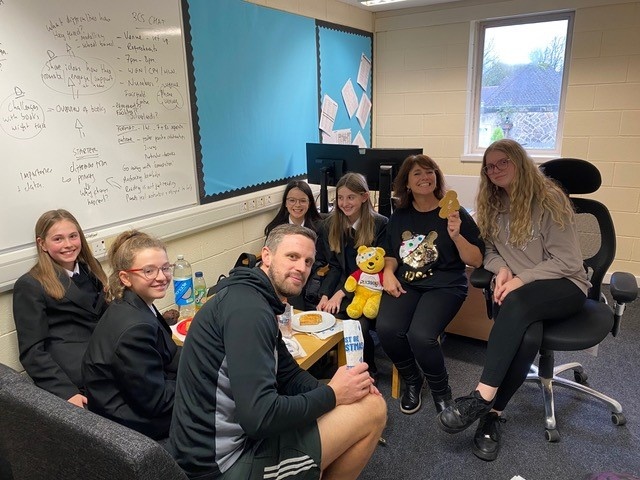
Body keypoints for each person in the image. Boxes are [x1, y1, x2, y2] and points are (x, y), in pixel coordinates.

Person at [169, 224, 387, 480]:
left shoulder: (252, 295)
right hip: (221, 464)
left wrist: (347, 389)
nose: (302, 268)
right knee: (373, 409)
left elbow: (288, 374)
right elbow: (260, 418)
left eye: (308, 261)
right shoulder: (250, 312)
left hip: (223, 442)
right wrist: (333, 395)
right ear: (267, 256)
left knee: (355, 399)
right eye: (292, 256)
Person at [437, 139, 590, 461]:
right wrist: (503, 269)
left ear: (519, 162)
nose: (495, 171)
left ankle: (481, 396)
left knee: (518, 302)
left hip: (564, 285)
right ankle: (493, 415)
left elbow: (568, 262)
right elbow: (489, 252)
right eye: (489, 167)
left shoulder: (549, 199)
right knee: (528, 337)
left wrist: (522, 278)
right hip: (519, 289)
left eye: (502, 162)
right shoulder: (492, 204)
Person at [376, 155, 484, 415]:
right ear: (407, 183)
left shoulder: (454, 212)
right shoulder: (400, 215)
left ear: (437, 177)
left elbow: (476, 260)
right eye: (417, 173)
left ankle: (441, 391)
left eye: (429, 172)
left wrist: (456, 236)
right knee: (387, 329)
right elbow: (391, 252)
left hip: (445, 285)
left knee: (421, 336)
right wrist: (388, 273)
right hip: (409, 282)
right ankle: (413, 379)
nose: (425, 177)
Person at [82, 230, 181, 440]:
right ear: (125, 278)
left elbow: (169, 353)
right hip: (130, 425)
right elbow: (157, 401)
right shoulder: (135, 328)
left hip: (140, 399)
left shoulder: (134, 302)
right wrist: (201, 379)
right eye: (149, 271)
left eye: (165, 268)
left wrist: (203, 356)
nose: (161, 277)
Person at [13, 209, 108, 408]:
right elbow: (32, 352)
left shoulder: (91, 269)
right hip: (76, 379)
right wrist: (67, 392)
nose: (68, 244)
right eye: (58, 239)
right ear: (42, 244)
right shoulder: (31, 284)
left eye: (73, 236)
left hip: (107, 364)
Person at [316, 172, 388, 376]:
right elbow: (335, 266)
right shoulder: (329, 224)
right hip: (343, 285)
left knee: (358, 326)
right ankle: (335, 370)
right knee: (326, 317)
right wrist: (325, 295)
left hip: (369, 289)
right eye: (340, 198)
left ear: (364, 197)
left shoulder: (380, 224)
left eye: (351, 197)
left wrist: (340, 294)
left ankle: (368, 370)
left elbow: (374, 269)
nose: (344, 203)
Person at [264, 179, 325, 310]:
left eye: (302, 201)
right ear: (285, 203)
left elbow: (323, 259)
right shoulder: (275, 227)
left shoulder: (320, 227)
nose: (297, 205)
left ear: (309, 203)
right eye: (292, 200)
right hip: (283, 274)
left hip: (310, 275)